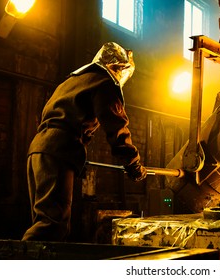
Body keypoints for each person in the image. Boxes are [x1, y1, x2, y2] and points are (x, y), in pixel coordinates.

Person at [22, 42, 147, 241]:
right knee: (51, 226)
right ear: (118, 68)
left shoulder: (72, 81)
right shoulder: (105, 82)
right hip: (59, 150)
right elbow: (116, 127)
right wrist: (133, 164)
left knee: (44, 221)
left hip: (38, 149)